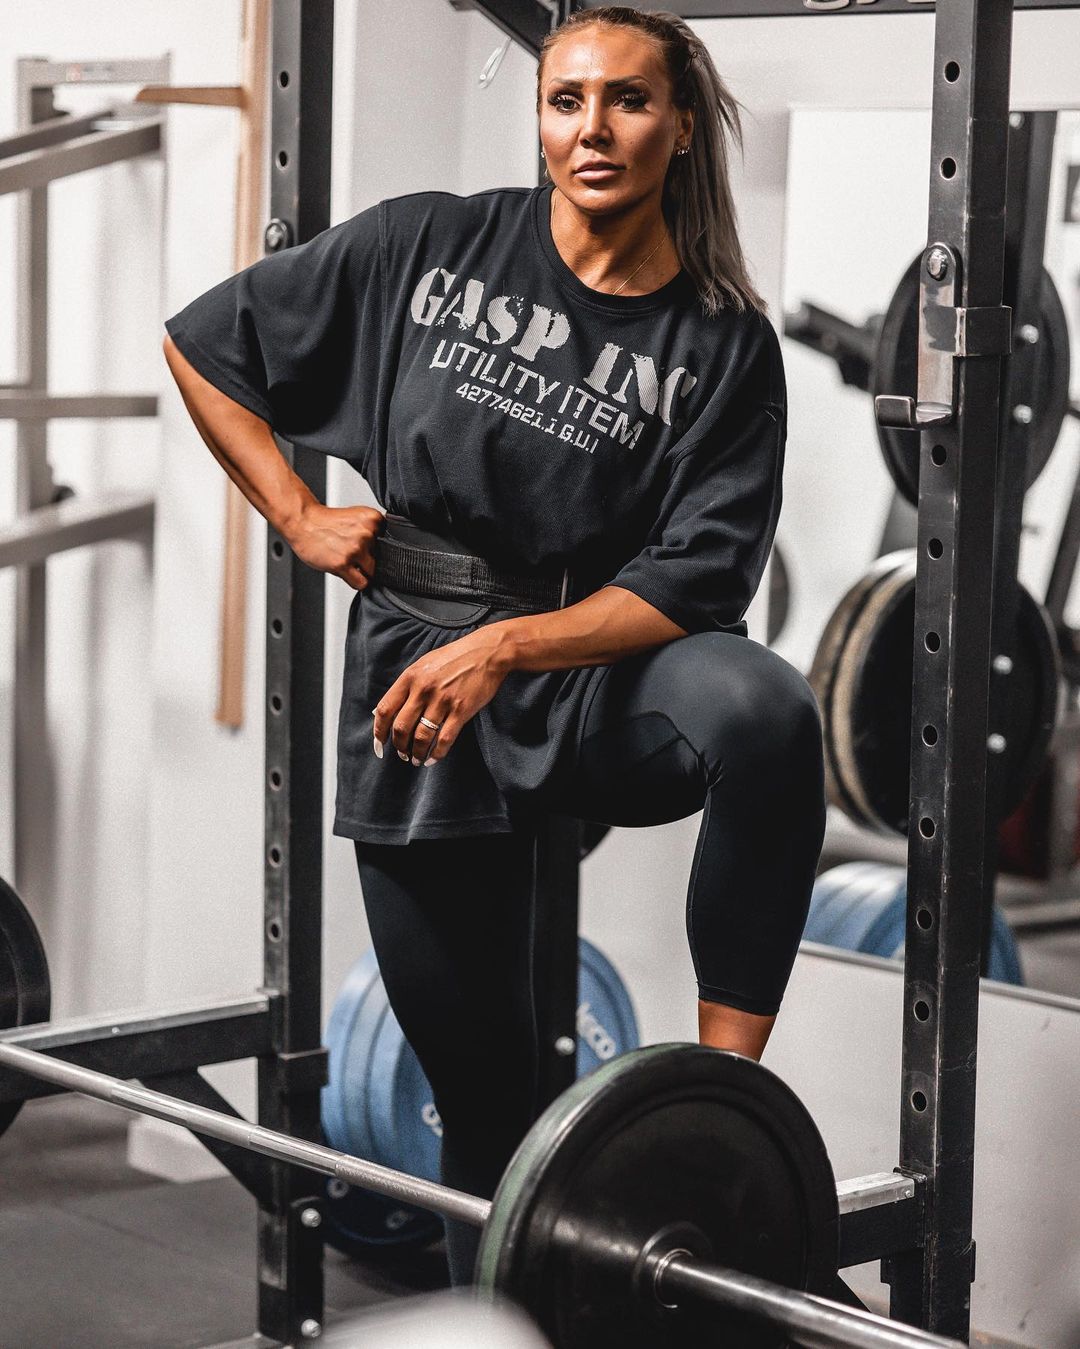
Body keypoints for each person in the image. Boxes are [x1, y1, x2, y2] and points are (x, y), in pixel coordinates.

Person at [163, 6, 826, 1286]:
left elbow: (699, 575)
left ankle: (719, 1103)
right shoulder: (430, 243)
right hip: (420, 675)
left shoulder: (722, 340)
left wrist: (513, 648)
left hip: (601, 671)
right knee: (487, 1103)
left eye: (628, 100)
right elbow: (207, 341)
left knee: (765, 713)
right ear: (540, 117)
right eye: (566, 100)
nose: (594, 129)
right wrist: (296, 513)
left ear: (683, 126)